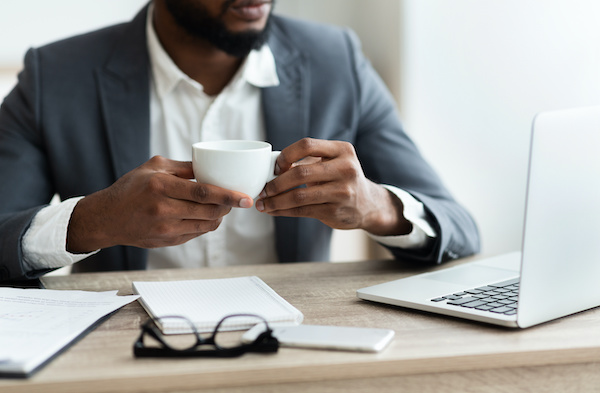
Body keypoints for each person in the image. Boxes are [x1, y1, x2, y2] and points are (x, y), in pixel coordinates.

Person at [0, 0, 479, 282]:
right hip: (124, 358)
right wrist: (95, 220)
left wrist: (377, 205)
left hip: (290, 353)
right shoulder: (55, 77)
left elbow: (459, 228)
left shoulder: (336, 62)